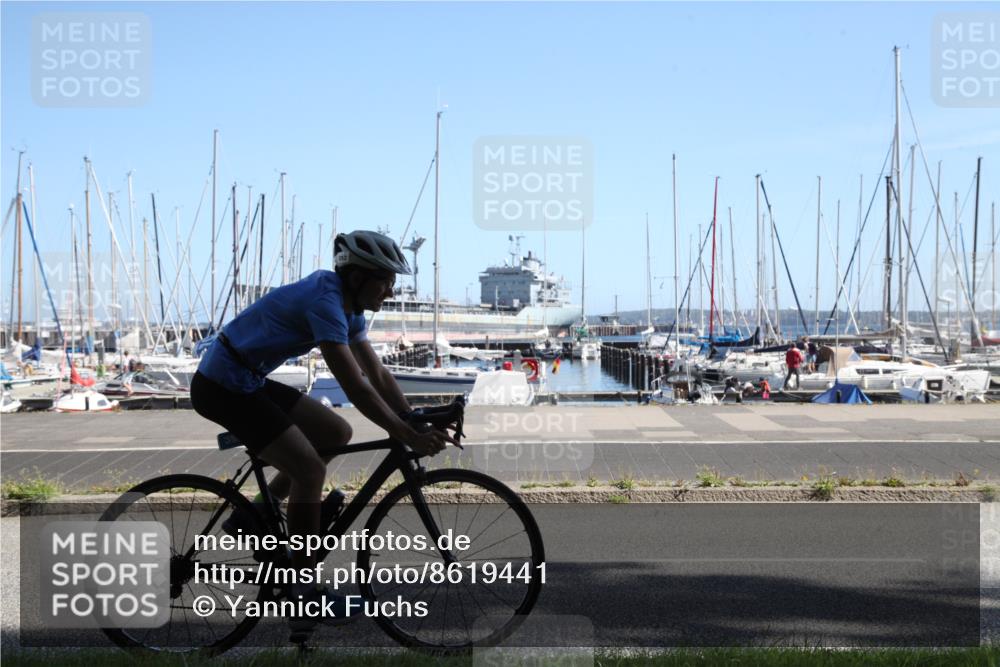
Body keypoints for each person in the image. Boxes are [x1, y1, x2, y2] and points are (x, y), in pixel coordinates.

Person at [190, 230, 455, 632]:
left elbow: (378, 373)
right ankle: (303, 593)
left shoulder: (351, 309)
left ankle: (258, 513)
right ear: (356, 277)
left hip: (247, 378)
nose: (390, 290)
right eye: (385, 280)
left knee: (335, 431)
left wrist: (411, 417)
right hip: (221, 386)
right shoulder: (326, 303)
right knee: (310, 471)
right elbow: (356, 386)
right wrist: (406, 434)